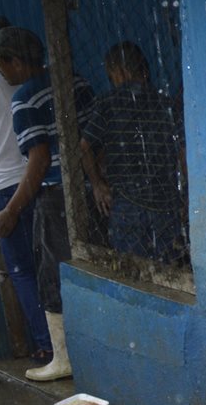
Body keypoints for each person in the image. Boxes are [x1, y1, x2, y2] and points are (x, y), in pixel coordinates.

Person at [0, 26, 95, 381]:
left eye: (3, 65)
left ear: (17, 62)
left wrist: (12, 210)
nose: (2, 73)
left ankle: (62, 358)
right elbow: (90, 136)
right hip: (87, 187)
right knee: (90, 265)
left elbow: (38, 160)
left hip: (53, 195)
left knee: (50, 276)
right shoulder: (75, 80)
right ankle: (94, 348)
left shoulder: (24, 98)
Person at [80, 42, 186, 264]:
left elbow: (84, 146)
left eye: (112, 76)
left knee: (133, 272)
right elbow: (182, 153)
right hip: (166, 205)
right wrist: (185, 196)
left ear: (120, 72)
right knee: (171, 270)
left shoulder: (108, 103)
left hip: (126, 204)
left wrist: (98, 185)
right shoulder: (164, 103)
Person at [0, 17, 52, 364]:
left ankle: (46, 345)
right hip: (37, 183)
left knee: (22, 271)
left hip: (6, 190)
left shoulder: (11, 75)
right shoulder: (22, 80)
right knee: (47, 264)